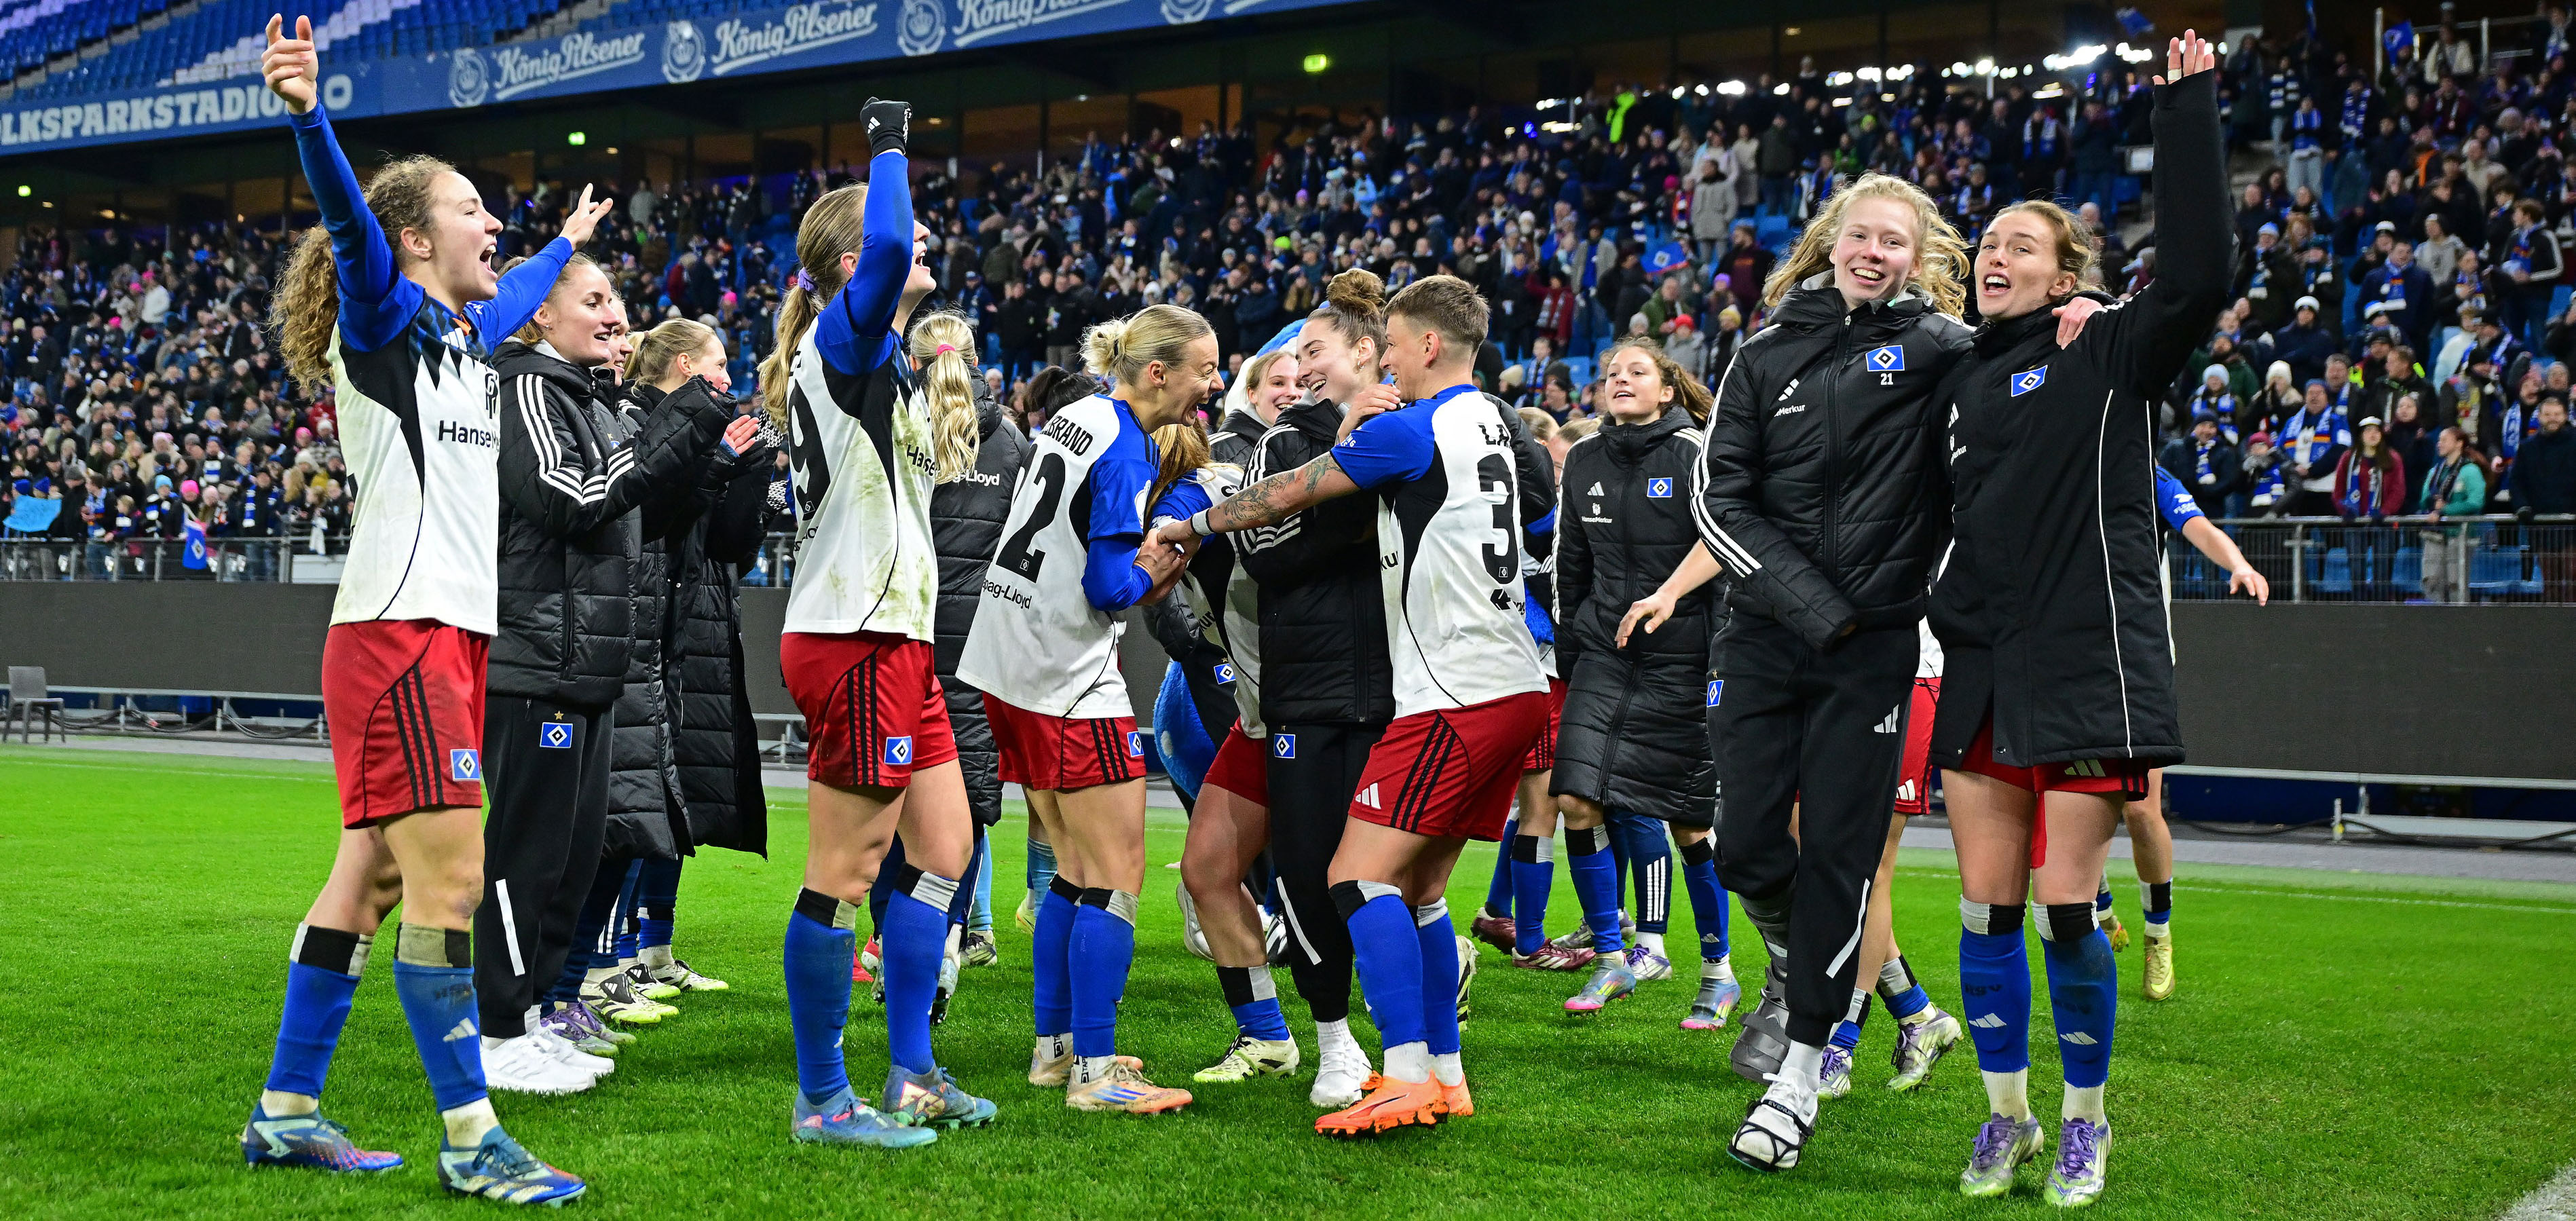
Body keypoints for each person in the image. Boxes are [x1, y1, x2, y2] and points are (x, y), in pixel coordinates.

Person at [246, 14, 603, 1205]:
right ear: (413, 239)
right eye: (470, 209)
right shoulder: (388, 319)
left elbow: (518, 296)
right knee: (453, 885)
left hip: (433, 635)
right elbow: (351, 228)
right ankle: (469, 1133)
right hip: (403, 636)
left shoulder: (463, 337)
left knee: (373, 883)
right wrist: (311, 116)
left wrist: (561, 245)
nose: (490, 222)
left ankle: (286, 1110)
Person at [1932, 34, 2230, 1209]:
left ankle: (2084, 1125)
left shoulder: (2105, 346)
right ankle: (2005, 1114)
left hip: (2084, 668)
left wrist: (2186, 108)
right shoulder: (1955, 377)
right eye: (1987, 242)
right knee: (1982, 906)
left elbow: (2198, 276)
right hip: (1979, 665)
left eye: (2022, 244)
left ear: (2066, 279)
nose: (1995, 254)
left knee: (2065, 906)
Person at [1151, 274, 1549, 1138]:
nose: (1388, 361)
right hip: (1516, 681)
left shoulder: (1406, 429)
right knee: (1425, 891)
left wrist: (1196, 525)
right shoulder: (1494, 421)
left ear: (1426, 346)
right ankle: (1445, 1073)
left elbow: (1289, 495)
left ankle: (1401, 1073)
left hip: (1453, 689)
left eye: (1393, 345)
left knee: (1354, 876)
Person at [1687, 171, 1978, 1174]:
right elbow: (1717, 498)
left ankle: (1800, 1073)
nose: (1874, 252)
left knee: (1843, 859)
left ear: (1918, 257)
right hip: (1765, 637)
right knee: (1743, 848)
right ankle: (1793, 957)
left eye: (1895, 241)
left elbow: (2018, 393)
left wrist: (2076, 317)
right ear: (1830, 241)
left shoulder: (1943, 346)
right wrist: (1815, 605)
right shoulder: (1763, 351)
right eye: (1862, 235)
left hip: (1875, 650)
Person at [767, 98, 996, 1148]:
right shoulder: (845, 336)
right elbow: (897, 242)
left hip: (894, 639)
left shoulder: (881, 356)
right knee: (846, 870)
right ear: (855, 262)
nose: (923, 247)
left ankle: (911, 1073)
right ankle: (822, 1097)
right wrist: (890, 140)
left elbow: (896, 245)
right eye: (901, 242)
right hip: (853, 634)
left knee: (945, 845)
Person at [956, 303, 1210, 1115]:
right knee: (1116, 873)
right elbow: (1108, 586)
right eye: (1204, 369)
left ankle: (1056, 1049)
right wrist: (1156, 568)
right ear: (1158, 372)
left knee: (1071, 865)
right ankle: (1096, 1072)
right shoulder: (1128, 444)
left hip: (1006, 660)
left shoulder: (1077, 415)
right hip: (1066, 675)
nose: (1212, 385)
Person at [1233, 272, 1406, 1110]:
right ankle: (1335, 1038)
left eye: (1314, 350)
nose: (1298, 366)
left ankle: (1417, 1045)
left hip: (1402, 688)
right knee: (1306, 868)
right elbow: (1265, 551)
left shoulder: (1417, 430)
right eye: (1295, 354)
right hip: (1305, 692)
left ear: (1366, 352)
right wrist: (1344, 455)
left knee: (1396, 877)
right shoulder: (1281, 443)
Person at [1541, 339, 1742, 1025]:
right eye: (1610, 374)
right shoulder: (1585, 458)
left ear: (1667, 389)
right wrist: (1574, 645)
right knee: (1575, 798)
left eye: (1636, 372)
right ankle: (1610, 956)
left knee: (1688, 821)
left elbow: (1728, 552)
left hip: (1685, 662)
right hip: (1605, 655)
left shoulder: (1694, 453)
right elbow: (1569, 560)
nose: (1619, 380)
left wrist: (1719, 660)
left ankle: (1718, 971)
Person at [624, 319, 774, 997]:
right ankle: (615, 957)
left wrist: (750, 472)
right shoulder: (637, 420)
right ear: (685, 364)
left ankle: (656, 952)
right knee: (641, 798)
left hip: (706, 625)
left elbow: (731, 545)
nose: (728, 378)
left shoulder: (712, 430)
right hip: (659, 624)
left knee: (678, 797)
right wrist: (718, 467)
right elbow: (657, 521)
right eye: (717, 363)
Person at [923, 313, 1034, 970]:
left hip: (906, 626)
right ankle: (954, 933)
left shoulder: (900, 424)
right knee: (966, 791)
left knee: (895, 790)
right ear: (977, 361)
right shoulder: (1013, 442)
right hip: (981, 638)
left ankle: (895, 937)